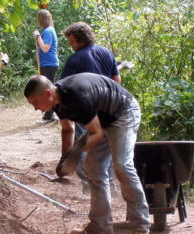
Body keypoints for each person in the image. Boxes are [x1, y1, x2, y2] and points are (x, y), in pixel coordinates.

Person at [24, 73, 150, 234]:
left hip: (123, 112)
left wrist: (75, 156)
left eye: (35, 103)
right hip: (102, 120)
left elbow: (96, 134)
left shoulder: (76, 96)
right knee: (93, 168)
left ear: (48, 93)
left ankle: (139, 225)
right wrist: (65, 160)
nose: (35, 108)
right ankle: (100, 227)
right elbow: (68, 129)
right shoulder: (57, 102)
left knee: (122, 165)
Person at [60, 22, 121, 194]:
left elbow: (64, 87)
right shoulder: (106, 52)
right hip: (108, 107)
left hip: (86, 109)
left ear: (80, 40)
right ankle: (110, 186)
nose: (70, 44)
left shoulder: (75, 59)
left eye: (71, 41)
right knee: (105, 146)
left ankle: (89, 187)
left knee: (84, 145)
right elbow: (117, 81)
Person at [32, 9, 59, 124]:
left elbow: (45, 48)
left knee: (47, 90)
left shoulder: (48, 31)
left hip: (49, 64)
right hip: (48, 64)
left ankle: (49, 116)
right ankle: (51, 114)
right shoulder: (48, 30)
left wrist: (38, 36)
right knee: (49, 89)